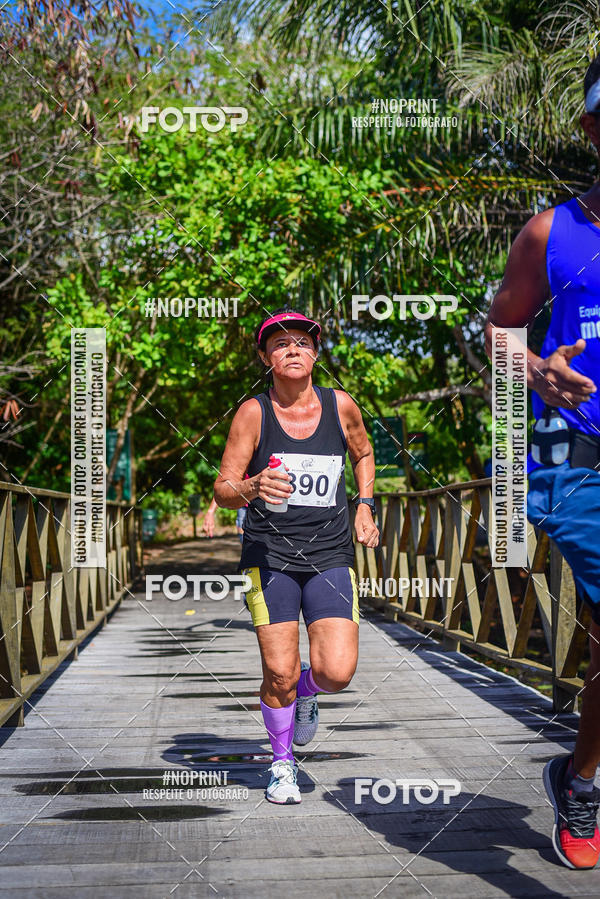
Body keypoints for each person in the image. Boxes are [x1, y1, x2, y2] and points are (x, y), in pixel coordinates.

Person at [484, 56, 600, 870]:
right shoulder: (552, 231)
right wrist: (534, 371)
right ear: (593, 128)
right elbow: (498, 332)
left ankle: (579, 773)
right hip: (575, 459)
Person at [214, 309, 379, 803]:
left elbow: (363, 453)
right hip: (270, 558)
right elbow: (222, 490)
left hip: (330, 552)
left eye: (302, 343)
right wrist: (251, 485)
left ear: (315, 354)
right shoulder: (253, 412)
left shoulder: (341, 405)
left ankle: (308, 695)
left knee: (335, 672)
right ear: (266, 358)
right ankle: (281, 764)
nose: (292, 349)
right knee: (279, 672)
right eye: (280, 343)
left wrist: (365, 505)